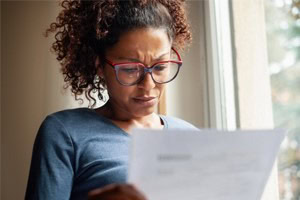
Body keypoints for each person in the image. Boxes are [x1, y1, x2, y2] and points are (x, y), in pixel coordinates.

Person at [25, 0, 197, 199]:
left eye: (160, 67)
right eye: (130, 69)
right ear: (100, 66)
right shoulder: (66, 133)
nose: (148, 85)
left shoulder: (190, 136)